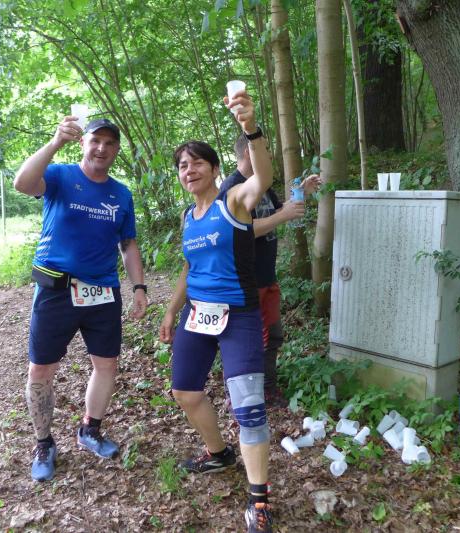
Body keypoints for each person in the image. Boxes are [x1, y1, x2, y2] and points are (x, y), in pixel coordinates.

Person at [158, 89, 274, 532]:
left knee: (249, 408)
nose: (188, 170)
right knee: (185, 391)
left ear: (213, 169)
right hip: (198, 314)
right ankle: (219, 453)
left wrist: (251, 129)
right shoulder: (188, 218)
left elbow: (262, 177)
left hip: (238, 315)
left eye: (196, 163)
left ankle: (258, 500)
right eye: (182, 166)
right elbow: (190, 268)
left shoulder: (233, 202)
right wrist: (171, 311)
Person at [13, 115, 148, 482]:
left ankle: (90, 429)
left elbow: (128, 244)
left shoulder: (121, 194)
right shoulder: (60, 175)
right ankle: (44, 443)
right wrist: (55, 142)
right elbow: (22, 183)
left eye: (110, 143)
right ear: (83, 143)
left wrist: (139, 287)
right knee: (41, 370)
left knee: (106, 365)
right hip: (56, 289)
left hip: (102, 292)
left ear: (116, 150)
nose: (102, 148)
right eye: (95, 140)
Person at [219, 136, 320, 407]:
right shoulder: (232, 187)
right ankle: (239, 395)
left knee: (272, 336)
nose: (271, 156)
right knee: (247, 340)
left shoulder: (262, 186)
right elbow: (239, 231)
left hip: (266, 276)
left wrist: (301, 191)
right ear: (249, 153)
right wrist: (282, 216)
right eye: (265, 151)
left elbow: (275, 212)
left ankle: (268, 389)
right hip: (244, 281)